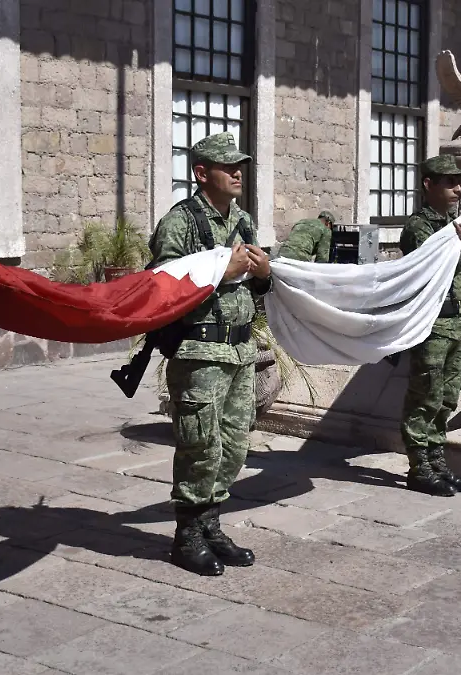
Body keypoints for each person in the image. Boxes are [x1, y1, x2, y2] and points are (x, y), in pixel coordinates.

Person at [149, 132, 272, 576]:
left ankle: (210, 525)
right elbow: (163, 287)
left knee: (234, 445)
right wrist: (222, 272)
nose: (238, 173)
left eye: (240, 166)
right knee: (200, 445)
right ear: (202, 173)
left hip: (240, 349)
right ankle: (187, 535)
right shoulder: (179, 223)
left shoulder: (243, 221)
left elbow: (256, 288)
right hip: (199, 352)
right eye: (228, 167)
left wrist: (264, 273)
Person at [398, 155, 461, 497]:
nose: (458, 189)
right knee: (426, 394)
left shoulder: (456, 224)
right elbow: (434, 268)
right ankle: (419, 467)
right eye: (450, 182)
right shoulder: (419, 227)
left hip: (458, 322)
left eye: (459, 182)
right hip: (433, 324)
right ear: (429, 184)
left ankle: (436, 461)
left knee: (447, 397)